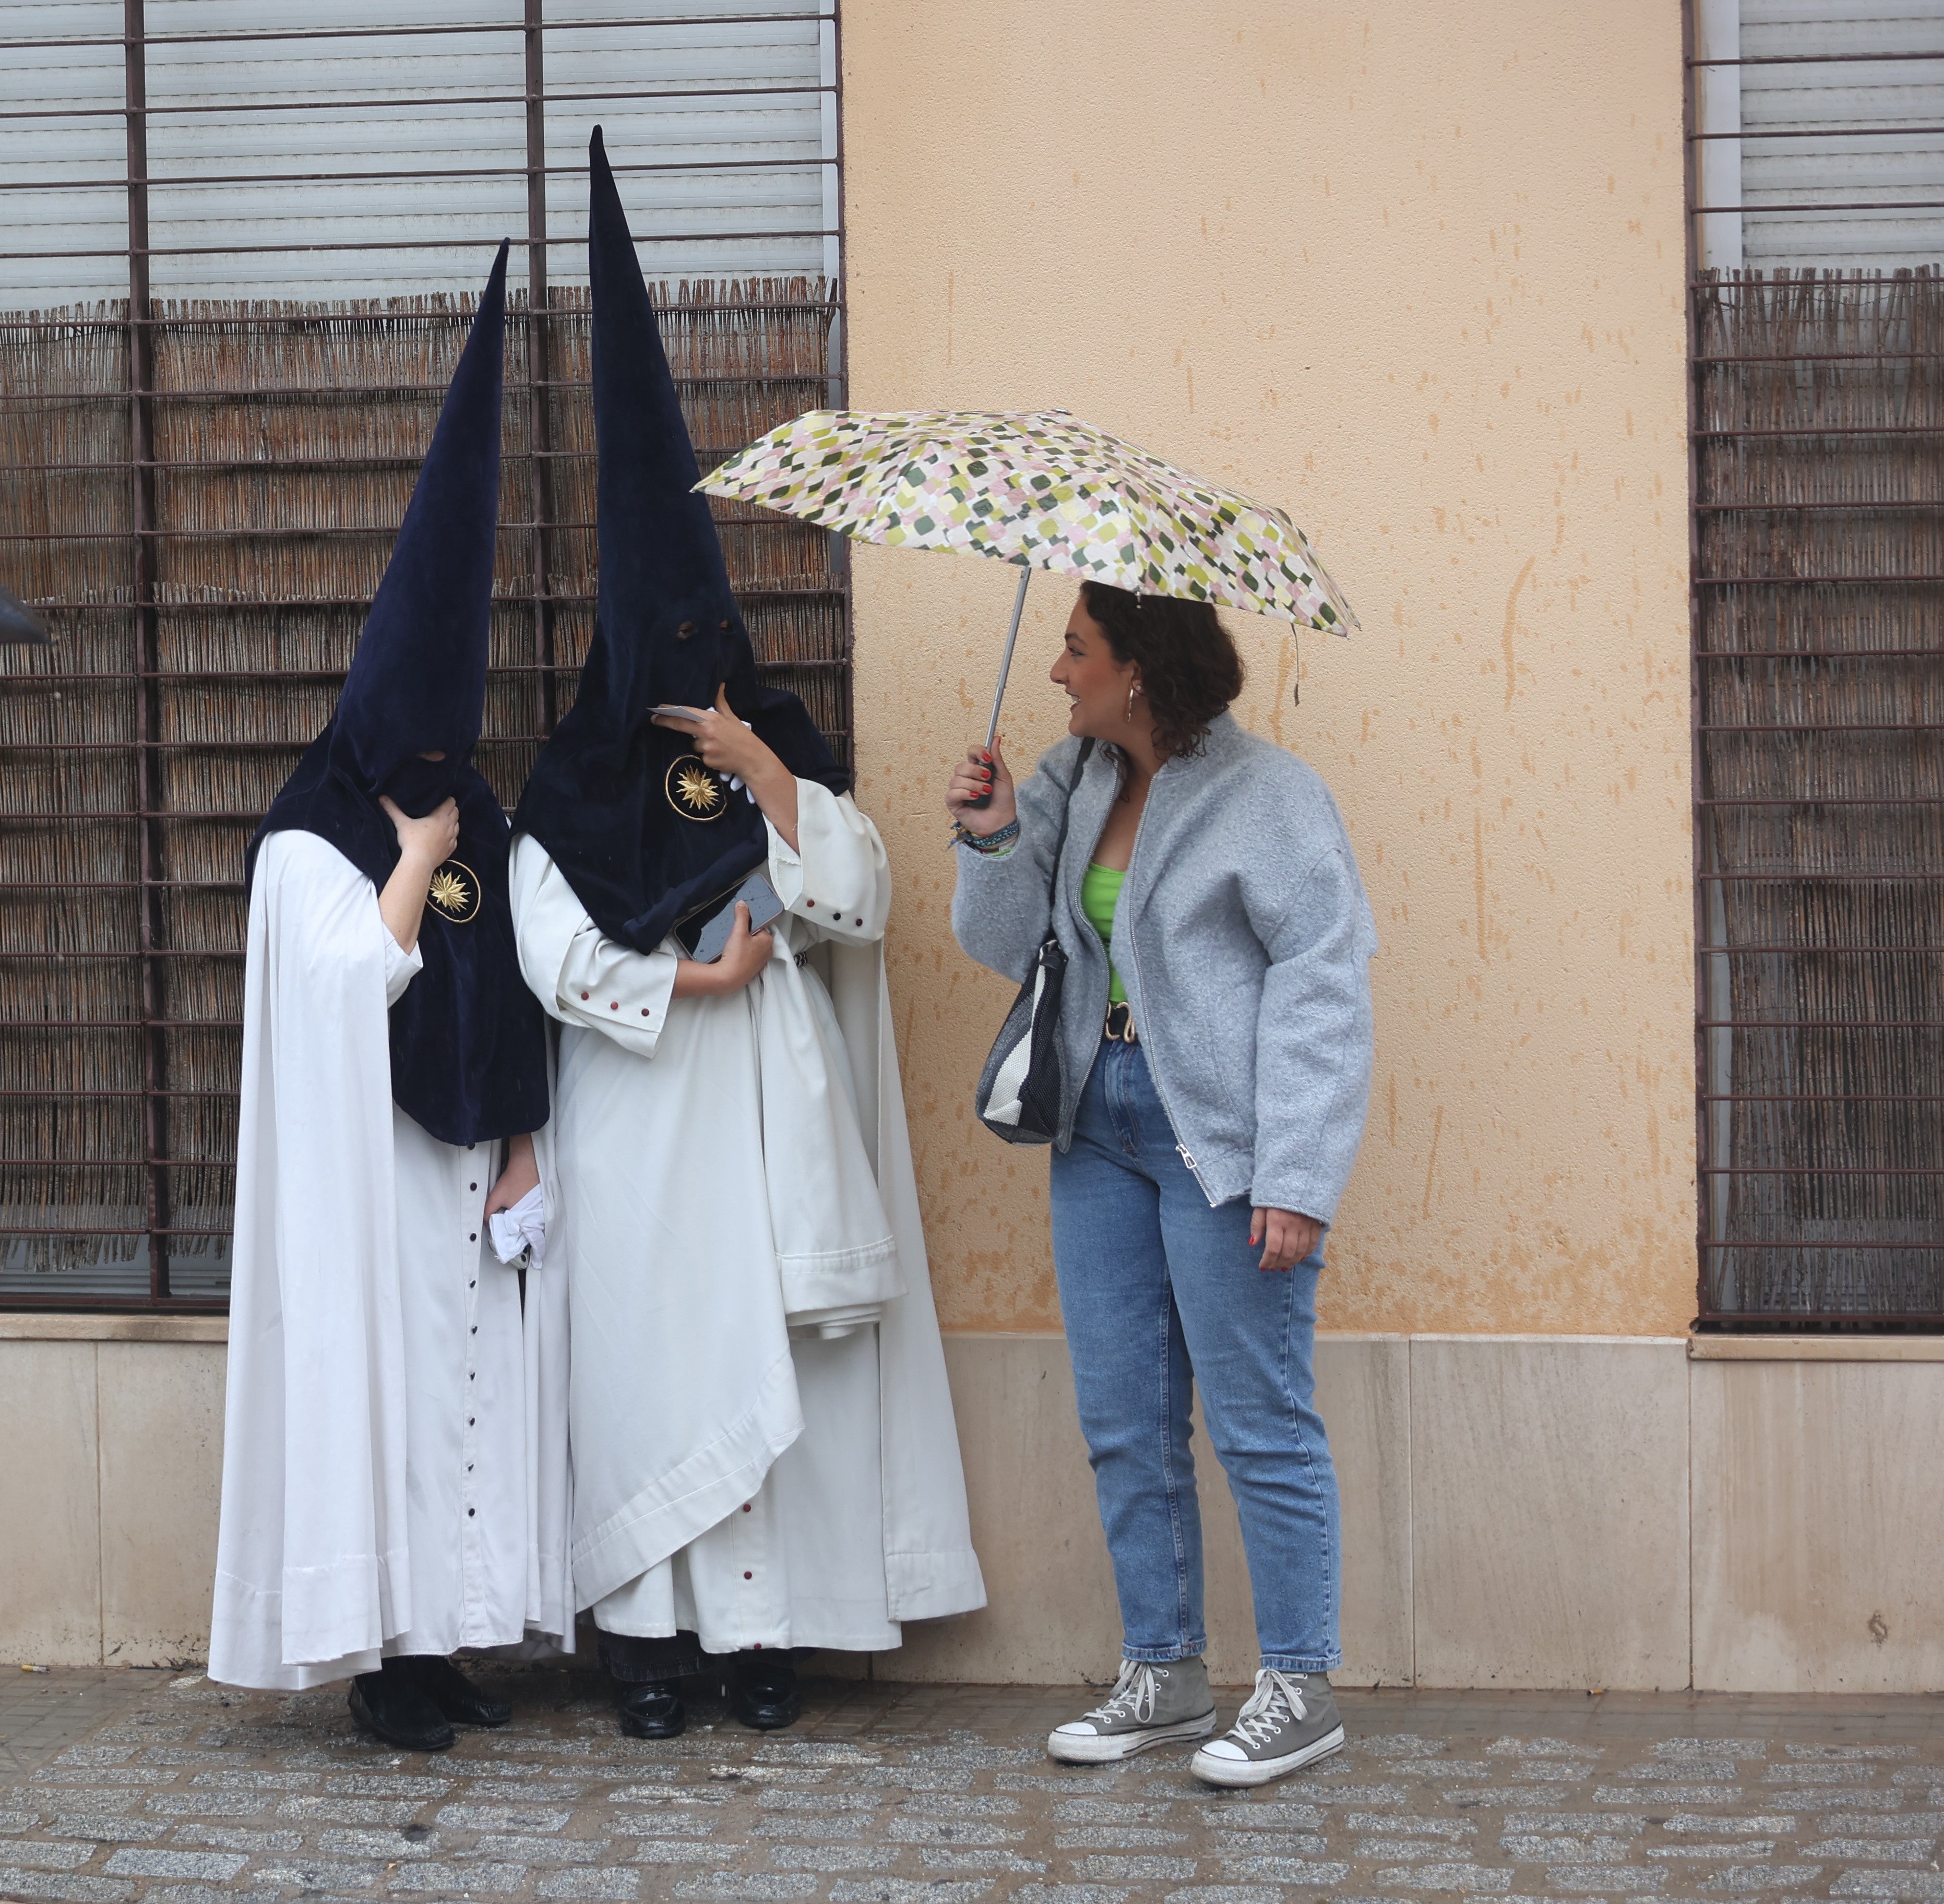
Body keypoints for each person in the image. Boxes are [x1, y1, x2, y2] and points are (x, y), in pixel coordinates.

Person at [508, 130, 983, 1742]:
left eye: (717, 654)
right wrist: (678, 976)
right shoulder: (572, 789)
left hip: (780, 1131)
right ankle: (650, 1642)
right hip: (647, 1132)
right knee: (660, 1376)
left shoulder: (780, 748)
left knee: (790, 1392)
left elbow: (863, 895)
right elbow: (547, 947)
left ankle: (772, 1639)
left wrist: (764, 771)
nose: (694, 671)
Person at [208, 244, 569, 1751]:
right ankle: (381, 1665)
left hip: (458, 1176)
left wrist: (522, 1144)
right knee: (385, 1417)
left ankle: (449, 1647)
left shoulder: (469, 810)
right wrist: (413, 860)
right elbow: (360, 978)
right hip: (365, 1187)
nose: (440, 767)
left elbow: (513, 986)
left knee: (459, 1421)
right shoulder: (310, 842)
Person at [945, 580, 1376, 1788]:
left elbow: (1324, 993)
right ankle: (1167, 1673)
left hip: (1220, 1145)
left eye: (1076, 651)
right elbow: (998, 943)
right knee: (1125, 1422)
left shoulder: (1273, 798)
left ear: (1138, 668)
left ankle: (1297, 1684)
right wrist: (988, 837)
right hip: (1099, 1127)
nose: (1057, 673)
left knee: (1259, 1421)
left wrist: (1296, 1174)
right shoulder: (1071, 782)